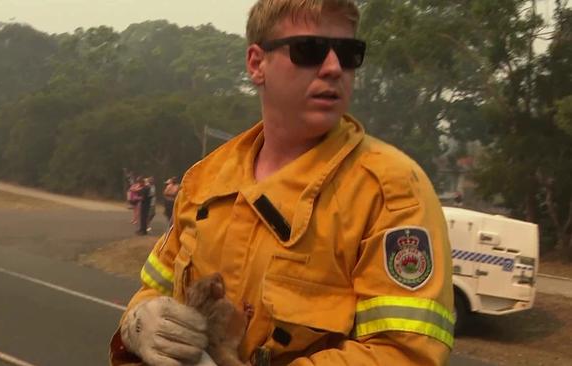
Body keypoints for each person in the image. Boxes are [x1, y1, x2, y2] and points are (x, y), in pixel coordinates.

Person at [110, 1, 454, 365]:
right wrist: (138, 322)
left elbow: (405, 354)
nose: (334, 68)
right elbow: (155, 290)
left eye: (349, 53)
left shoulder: (391, 192)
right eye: (310, 50)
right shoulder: (206, 180)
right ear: (257, 63)